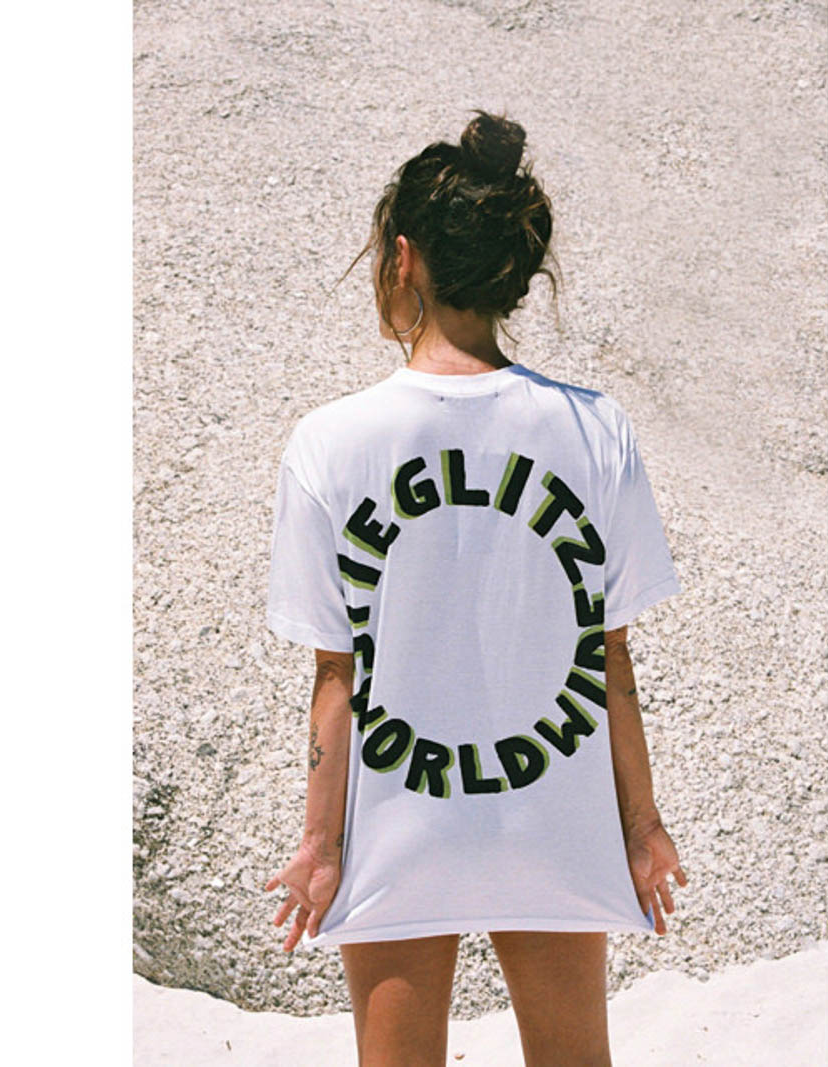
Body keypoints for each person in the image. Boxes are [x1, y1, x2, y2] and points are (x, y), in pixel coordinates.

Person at [262, 109, 688, 1067]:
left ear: (402, 257)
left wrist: (321, 845)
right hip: (552, 818)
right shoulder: (595, 431)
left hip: (403, 826)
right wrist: (642, 826)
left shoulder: (330, 444)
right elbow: (609, 657)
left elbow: (337, 673)